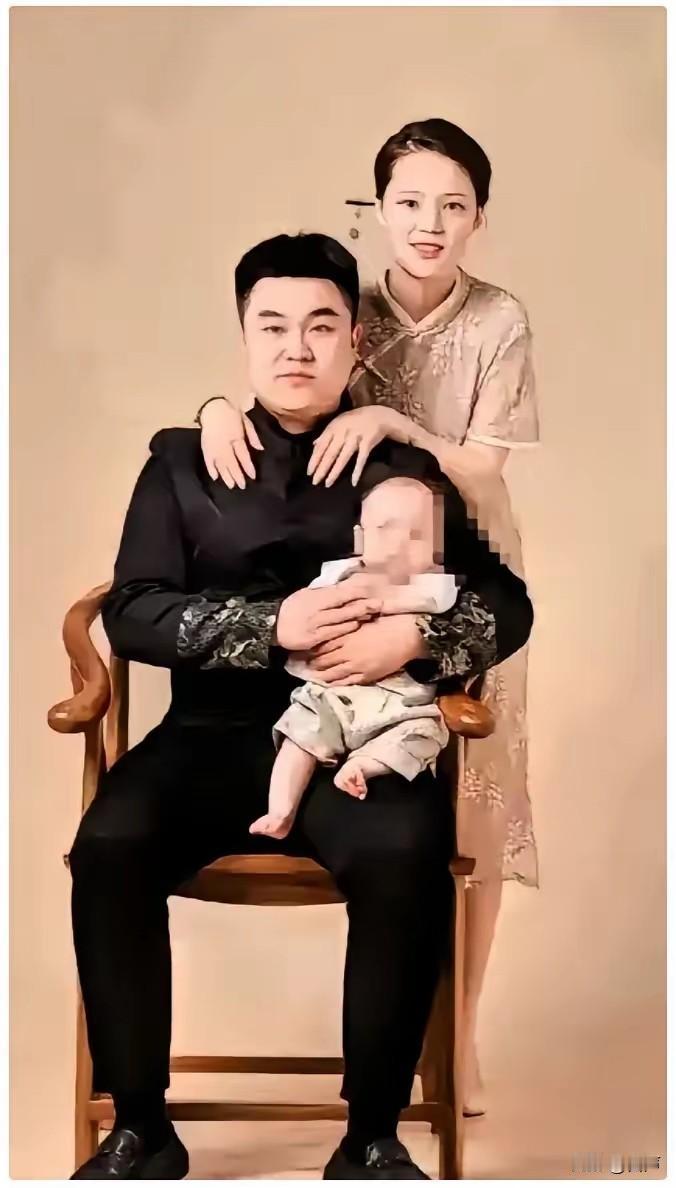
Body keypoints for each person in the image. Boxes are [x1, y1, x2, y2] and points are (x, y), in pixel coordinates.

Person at [67, 231, 533, 1180]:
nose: (296, 347)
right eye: (272, 326)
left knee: (404, 850)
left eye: (321, 326)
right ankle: (141, 1129)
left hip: (362, 735)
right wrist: (271, 623)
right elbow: (134, 610)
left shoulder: (399, 469)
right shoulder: (183, 462)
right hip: (209, 734)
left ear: (355, 340)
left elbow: (507, 605)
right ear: (243, 337)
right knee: (109, 844)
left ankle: (371, 1137)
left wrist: (415, 640)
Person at [198, 118, 540, 1117]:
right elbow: (281, 376)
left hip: (466, 561)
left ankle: (458, 1035)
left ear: (479, 217)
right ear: (377, 209)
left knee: (475, 803)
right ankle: (390, 1043)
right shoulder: (350, 303)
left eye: (453, 205)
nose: (430, 223)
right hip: (358, 559)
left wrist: (392, 420)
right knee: (353, 743)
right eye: (409, 202)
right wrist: (214, 410)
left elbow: (482, 470)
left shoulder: (499, 319)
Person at [249, 475, 459, 838]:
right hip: (331, 696)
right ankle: (281, 810)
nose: (400, 544)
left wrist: (381, 599)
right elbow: (306, 612)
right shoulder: (336, 574)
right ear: (360, 539)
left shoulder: (433, 583)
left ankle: (364, 765)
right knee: (298, 734)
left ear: (436, 547)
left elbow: (439, 601)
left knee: (425, 734)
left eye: (417, 535)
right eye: (386, 530)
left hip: (402, 704)